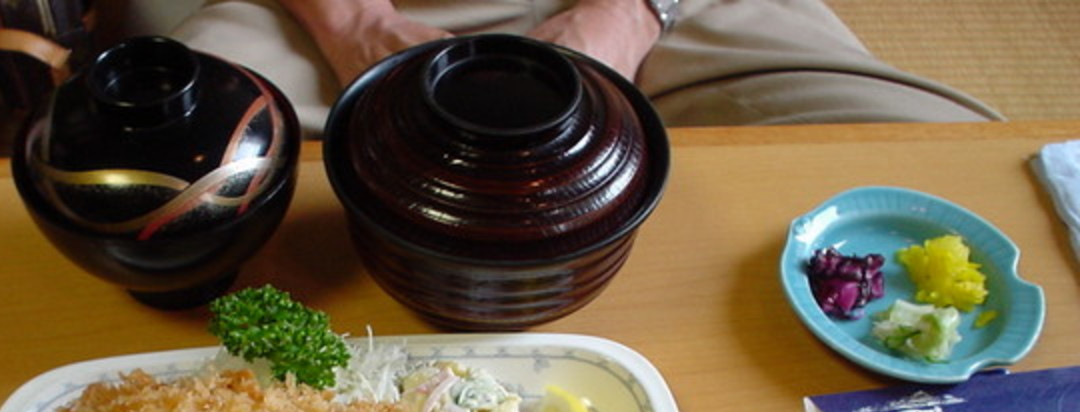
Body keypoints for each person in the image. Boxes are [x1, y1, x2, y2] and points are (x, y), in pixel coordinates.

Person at [111, 0, 1002, 136]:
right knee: (174, 154)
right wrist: (356, 22)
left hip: (671, 8)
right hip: (331, 10)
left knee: (915, 143)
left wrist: (630, 10)